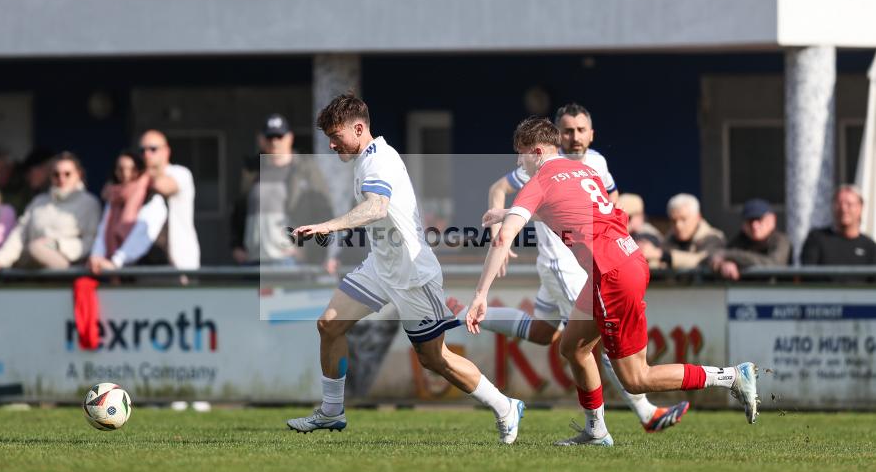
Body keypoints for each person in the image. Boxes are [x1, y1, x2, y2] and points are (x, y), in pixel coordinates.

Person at [466, 117, 760, 446]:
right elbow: (568, 208)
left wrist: (481, 294)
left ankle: (732, 376)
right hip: (624, 260)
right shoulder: (584, 171)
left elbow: (504, 239)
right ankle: (596, 430)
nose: (519, 163)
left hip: (611, 273)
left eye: (520, 155)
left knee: (637, 378)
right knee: (573, 347)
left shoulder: (540, 181)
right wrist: (507, 213)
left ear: (536, 152)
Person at [287, 93, 524, 443]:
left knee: (435, 359)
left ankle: (505, 406)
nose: (331, 143)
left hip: (413, 274)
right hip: (381, 267)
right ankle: (332, 412)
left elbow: (377, 208)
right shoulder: (365, 159)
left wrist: (327, 226)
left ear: (358, 128)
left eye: (336, 135)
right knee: (329, 325)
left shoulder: (377, 160)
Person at [448, 104, 689, 433]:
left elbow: (609, 203)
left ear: (591, 133)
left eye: (580, 130)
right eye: (567, 130)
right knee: (590, 342)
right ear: (557, 136)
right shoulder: (541, 165)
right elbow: (500, 189)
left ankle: (470, 312)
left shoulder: (596, 164)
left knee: (548, 333)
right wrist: (501, 227)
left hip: (589, 259)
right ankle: (643, 411)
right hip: (562, 262)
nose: (574, 137)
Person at [230, 113, 338, 273]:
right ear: (261, 139)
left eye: (279, 136)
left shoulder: (306, 169)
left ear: (289, 138)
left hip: (290, 261)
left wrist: (312, 252)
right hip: (253, 261)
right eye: (270, 137)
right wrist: (236, 245)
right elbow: (237, 211)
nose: (274, 142)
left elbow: (323, 212)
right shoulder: (251, 172)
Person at [0, 152, 101, 276]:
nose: (61, 179)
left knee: (37, 248)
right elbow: (19, 233)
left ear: (79, 174)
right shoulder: (39, 201)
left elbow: (91, 241)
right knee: (32, 249)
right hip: (31, 265)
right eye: (56, 174)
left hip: (69, 266)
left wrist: (57, 244)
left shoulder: (90, 203)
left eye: (67, 174)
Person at [88, 150, 168, 273]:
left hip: (150, 273)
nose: (126, 174)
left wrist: (115, 262)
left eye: (132, 169)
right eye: (121, 169)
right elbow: (103, 232)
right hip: (118, 273)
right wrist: (96, 257)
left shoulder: (152, 198)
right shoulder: (113, 200)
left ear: (140, 170)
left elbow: (141, 237)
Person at [138, 130, 200, 270]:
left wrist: (142, 175)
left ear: (166, 151)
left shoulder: (180, 173)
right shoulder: (139, 179)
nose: (147, 154)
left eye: (153, 149)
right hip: (142, 263)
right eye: (142, 150)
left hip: (178, 263)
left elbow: (164, 186)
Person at [707, 198, 791, 280]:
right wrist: (723, 264)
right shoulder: (741, 239)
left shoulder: (780, 240)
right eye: (750, 221)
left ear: (772, 220)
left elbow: (773, 264)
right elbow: (715, 256)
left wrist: (730, 256)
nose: (754, 226)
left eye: (759, 219)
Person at [640, 193, 725, 270]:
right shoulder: (669, 238)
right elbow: (657, 265)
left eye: (683, 219)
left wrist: (660, 254)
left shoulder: (713, 238)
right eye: (674, 221)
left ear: (698, 217)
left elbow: (702, 261)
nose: (678, 225)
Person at [801, 185, 876, 265]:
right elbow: (807, 273)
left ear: (860, 207)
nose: (843, 209)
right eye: (839, 204)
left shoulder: (869, 247)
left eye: (849, 204)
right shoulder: (816, 239)